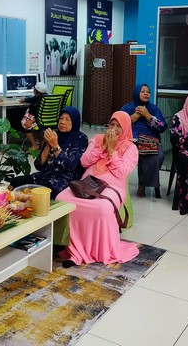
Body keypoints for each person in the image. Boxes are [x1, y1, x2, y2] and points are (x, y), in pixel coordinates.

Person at [57, 111, 139, 267]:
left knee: (102, 207)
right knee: (62, 199)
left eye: (119, 126)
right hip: (88, 183)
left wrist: (112, 151)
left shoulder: (131, 148)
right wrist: (103, 147)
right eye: (111, 125)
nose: (113, 129)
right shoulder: (97, 139)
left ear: (126, 128)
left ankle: (95, 250)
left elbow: (121, 172)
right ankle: (72, 248)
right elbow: (84, 162)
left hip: (113, 187)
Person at [10, 106, 88, 198]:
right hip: (45, 175)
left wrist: (55, 145)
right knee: (15, 182)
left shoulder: (81, 139)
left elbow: (70, 165)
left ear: (74, 122)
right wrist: (47, 145)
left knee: (40, 193)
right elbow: (38, 165)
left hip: (63, 179)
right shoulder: (54, 134)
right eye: (61, 118)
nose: (63, 122)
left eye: (67, 119)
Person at [121, 84, 167, 198]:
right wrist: (134, 117)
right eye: (142, 91)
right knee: (122, 154)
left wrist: (148, 116)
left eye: (148, 92)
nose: (146, 93)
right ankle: (118, 184)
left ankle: (143, 184)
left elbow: (162, 127)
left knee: (158, 156)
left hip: (150, 139)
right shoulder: (127, 108)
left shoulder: (154, 109)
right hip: (131, 140)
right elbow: (118, 126)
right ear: (136, 93)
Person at [20, 81, 49, 150]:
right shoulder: (47, 97)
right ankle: (41, 141)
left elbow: (29, 99)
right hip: (45, 119)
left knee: (26, 125)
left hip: (35, 119)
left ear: (36, 92)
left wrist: (23, 99)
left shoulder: (36, 98)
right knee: (36, 128)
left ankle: (34, 145)